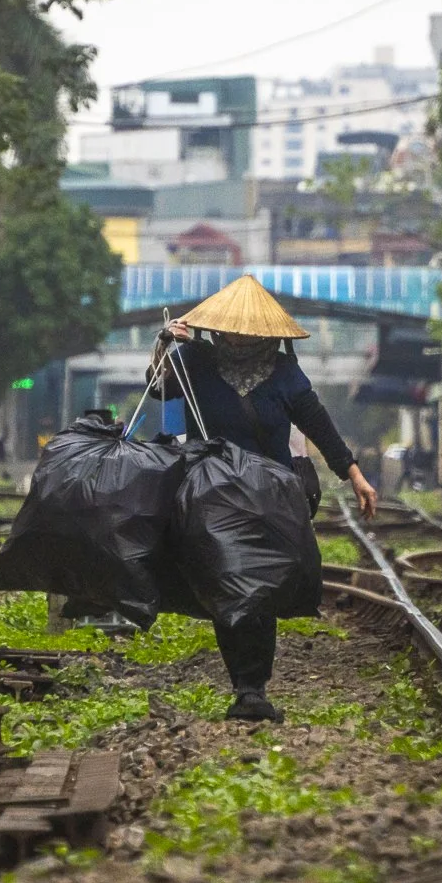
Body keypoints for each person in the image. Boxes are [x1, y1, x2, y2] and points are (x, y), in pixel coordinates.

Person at [147, 275, 378, 723]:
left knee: (262, 590)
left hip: (270, 497)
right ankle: (244, 685)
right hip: (213, 495)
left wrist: (355, 475)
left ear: (266, 333)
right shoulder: (195, 360)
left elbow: (319, 426)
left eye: (250, 331)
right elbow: (158, 389)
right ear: (220, 328)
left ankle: (254, 686)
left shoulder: (285, 374)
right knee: (227, 585)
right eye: (234, 329)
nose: (242, 337)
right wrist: (165, 346)